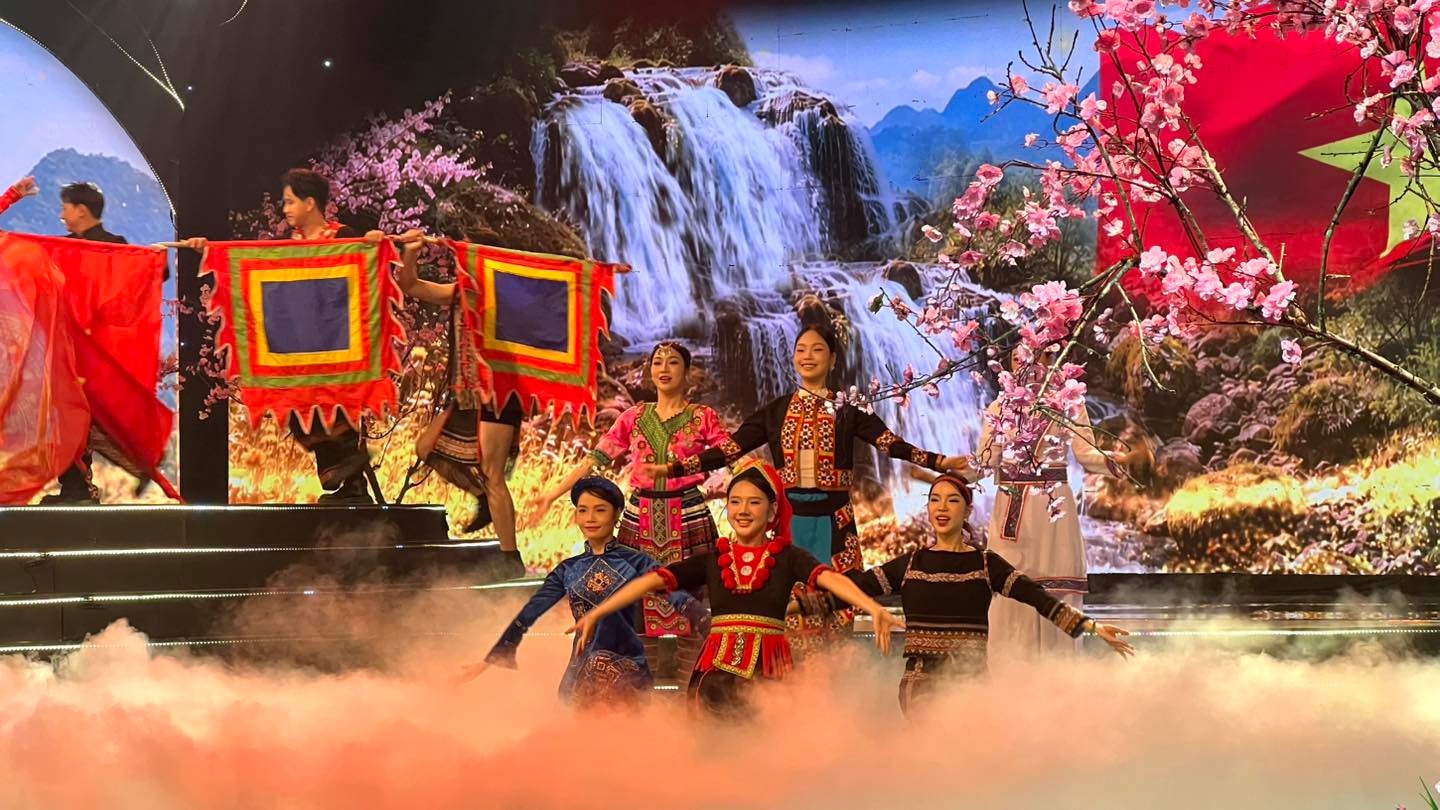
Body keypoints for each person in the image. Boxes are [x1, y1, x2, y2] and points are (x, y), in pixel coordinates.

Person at [640, 324, 970, 646]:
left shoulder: (848, 410)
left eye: (817, 350)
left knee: (839, 597)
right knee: (787, 602)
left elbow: (888, 442)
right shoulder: (777, 411)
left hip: (835, 522)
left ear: (833, 359)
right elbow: (730, 449)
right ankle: (788, 672)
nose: (807, 356)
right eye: (801, 350)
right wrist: (673, 468)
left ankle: (840, 670)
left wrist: (938, 462)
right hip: (789, 521)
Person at [569, 461, 904, 716]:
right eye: (735, 502)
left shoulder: (788, 557)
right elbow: (650, 581)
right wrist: (599, 612)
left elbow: (830, 580)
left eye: (754, 503)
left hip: (769, 676)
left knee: (764, 755)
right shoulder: (714, 558)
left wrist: (873, 608)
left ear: (772, 510)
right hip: (712, 677)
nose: (743, 511)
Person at [843, 474, 1133, 716]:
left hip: (972, 687)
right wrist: (816, 588)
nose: (942, 508)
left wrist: (1091, 626)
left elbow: (1037, 597)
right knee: (932, 758)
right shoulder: (909, 565)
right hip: (922, 686)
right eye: (934, 500)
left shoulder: (985, 564)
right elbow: (849, 590)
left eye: (952, 500)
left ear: (967, 511)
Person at [525, 340, 732, 676]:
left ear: (688, 372)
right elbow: (593, 461)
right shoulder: (633, 417)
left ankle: (691, 687)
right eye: (657, 362)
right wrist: (552, 494)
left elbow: (731, 453)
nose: (664, 369)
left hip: (689, 516)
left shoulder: (702, 417)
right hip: (640, 520)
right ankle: (642, 688)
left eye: (673, 362)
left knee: (693, 603)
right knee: (634, 600)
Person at [185, 169, 392, 504]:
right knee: (299, 413)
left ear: (310, 203)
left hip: (337, 345)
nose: (285, 209)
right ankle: (347, 477)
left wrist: (373, 243)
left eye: (290, 201)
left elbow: (367, 273)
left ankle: (353, 482)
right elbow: (248, 264)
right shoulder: (286, 247)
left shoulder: (343, 236)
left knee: (335, 410)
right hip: (299, 348)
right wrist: (208, 250)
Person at [458, 476, 705, 706]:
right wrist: (493, 657)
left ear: (617, 514)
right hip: (578, 675)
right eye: (583, 510)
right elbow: (529, 613)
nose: (590, 518)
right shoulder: (567, 569)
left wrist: (712, 627)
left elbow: (679, 599)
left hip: (627, 674)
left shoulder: (638, 562)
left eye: (600, 510)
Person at [971, 347, 1119, 661]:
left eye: (1031, 358)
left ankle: (1059, 678)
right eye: (1016, 359)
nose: (1023, 365)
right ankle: (1009, 675)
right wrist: (941, 469)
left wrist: (1117, 462)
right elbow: (984, 461)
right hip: (1012, 507)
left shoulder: (1067, 403)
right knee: (1009, 589)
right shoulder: (999, 406)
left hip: (1053, 510)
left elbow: (1087, 454)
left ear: (1048, 361)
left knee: (1057, 589)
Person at [397, 237, 524, 574]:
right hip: (465, 393)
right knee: (426, 447)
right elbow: (410, 285)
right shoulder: (458, 293)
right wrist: (411, 252)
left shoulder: (507, 298)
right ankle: (481, 497)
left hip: (499, 393)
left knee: (493, 474)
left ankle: (510, 558)